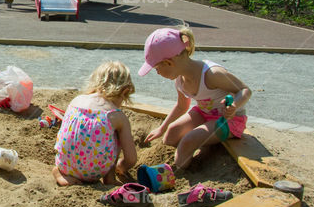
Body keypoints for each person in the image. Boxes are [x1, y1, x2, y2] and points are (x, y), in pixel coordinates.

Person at [139, 26, 251, 170]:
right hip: (205, 113)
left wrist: (234, 105)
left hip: (229, 120)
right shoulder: (180, 80)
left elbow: (245, 90)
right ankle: (190, 154)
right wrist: (162, 128)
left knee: (188, 140)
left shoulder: (212, 74)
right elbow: (181, 106)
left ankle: (179, 173)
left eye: (157, 69)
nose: (158, 73)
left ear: (169, 63)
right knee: (171, 134)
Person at [52, 61, 138, 187]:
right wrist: (122, 165)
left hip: (65, 165)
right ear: (125, 91)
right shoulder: (116, 115)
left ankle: (59, 172)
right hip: (95, 172)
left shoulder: (76, 100)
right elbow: (131, 159)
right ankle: (110, 176)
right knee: (116, 134)